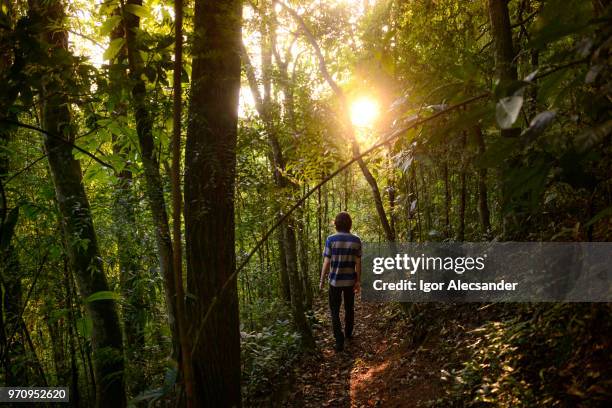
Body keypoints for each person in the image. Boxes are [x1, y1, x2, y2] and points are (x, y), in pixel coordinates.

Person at [319, 211, 362, 352]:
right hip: (350, 281)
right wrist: (358, 281)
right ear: (349, 224)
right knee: (349, 308)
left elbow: (327, 261)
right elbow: (358, 263)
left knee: (335, 311)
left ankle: (339, 341)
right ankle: (349, 333)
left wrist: (321, 280)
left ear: (336, 224)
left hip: (334, 282)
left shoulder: (330, 240)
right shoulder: (356, 240)